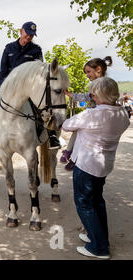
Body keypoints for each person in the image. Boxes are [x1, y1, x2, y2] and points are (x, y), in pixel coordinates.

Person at [62, 77, 129, 259]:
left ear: (99, 95)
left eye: (93, 93)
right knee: (97, 201)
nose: (91, 95)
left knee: (84, 203)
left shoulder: (92, 114)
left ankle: (99, 248)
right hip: (103, 164)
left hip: (86, 165)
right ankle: (97, 237)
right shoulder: (122, 113)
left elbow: (66, 125)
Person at [0, 21, 61, 150]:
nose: (29, 37)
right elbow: (3, 70)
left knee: (43, 104)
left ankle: (51, 135)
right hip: (9, 86)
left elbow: (39, 70)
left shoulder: (36, 50)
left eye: (32, 35)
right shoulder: (9, 48)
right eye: (27, 34)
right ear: (21, 31)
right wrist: (1, 85)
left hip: (28, 88)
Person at [61, 56, 113, 171]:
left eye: (88, 72)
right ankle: (71, 155)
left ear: (98, 69)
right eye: (86, 73)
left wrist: (71, 95)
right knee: (79, 132)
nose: (87, 75)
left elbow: (88, 98)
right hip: (98, 115)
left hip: (97, 115)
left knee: (80, 132)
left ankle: (70, 154)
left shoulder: (100, 84)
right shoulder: (104, 83)